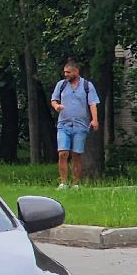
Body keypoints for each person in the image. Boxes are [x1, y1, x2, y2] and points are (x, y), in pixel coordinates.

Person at [51, 58, 100, 189]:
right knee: (62, 153)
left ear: (76, 72)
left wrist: (94, 119)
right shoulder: (61, 85)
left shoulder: (87, 86)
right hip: (63, 125)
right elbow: (54, 100)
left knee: (76, 154)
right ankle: (63, 183)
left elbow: (92, 103)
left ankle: (76, 183)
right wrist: (56, 106)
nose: (65, 75)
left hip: (80, 125)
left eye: (68, 72)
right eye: (64, 72)